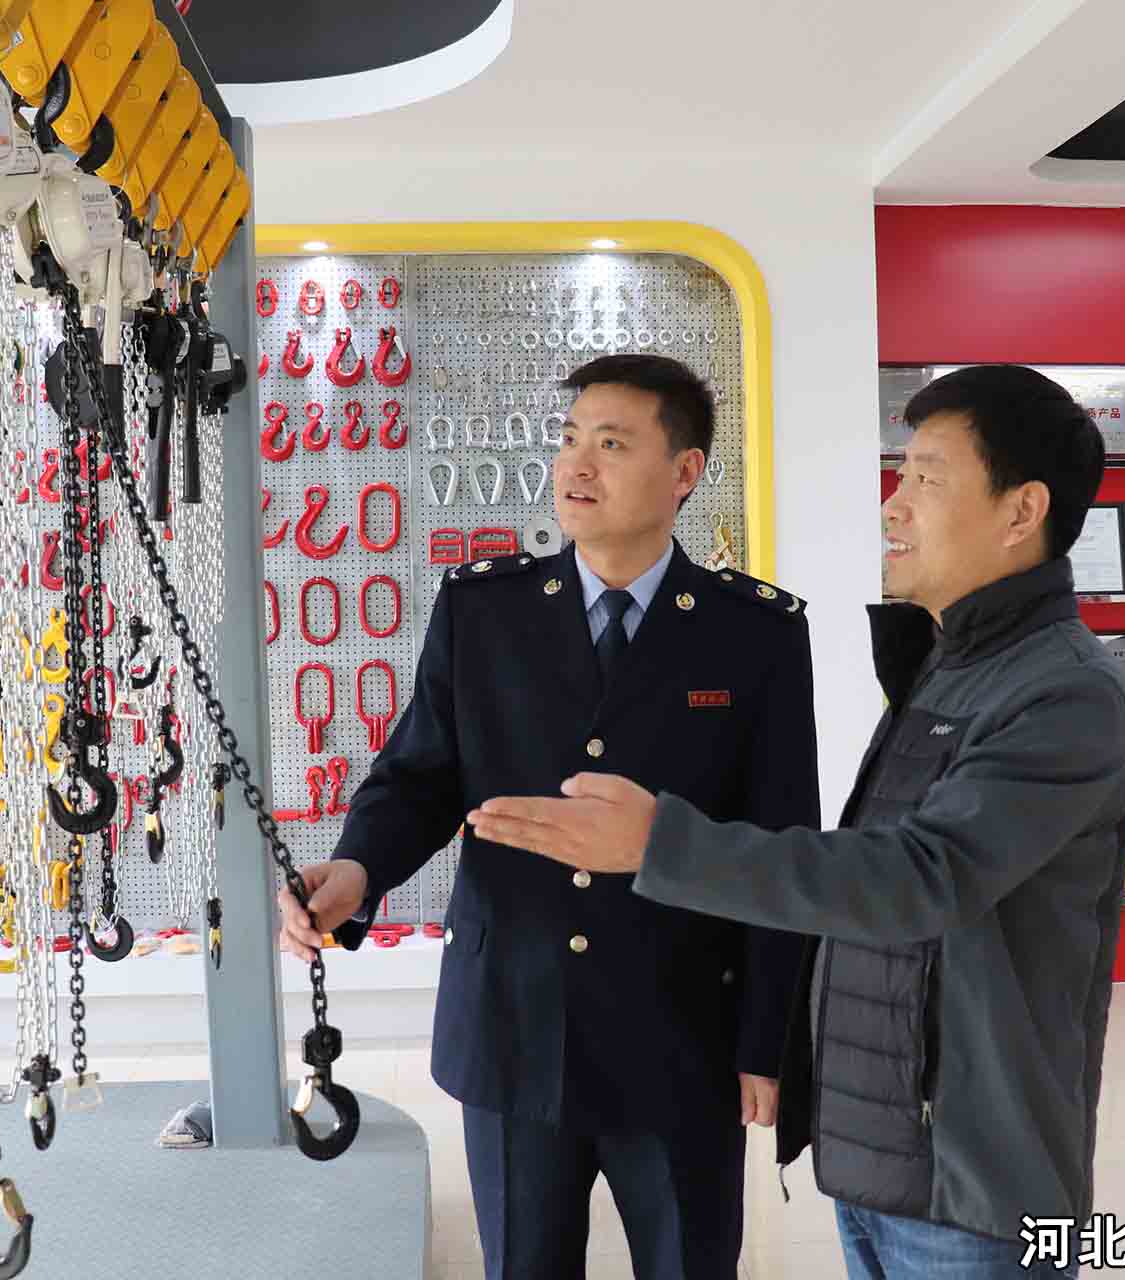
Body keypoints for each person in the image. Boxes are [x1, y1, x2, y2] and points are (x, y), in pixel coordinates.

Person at [468, 364, 1125, 1280]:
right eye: (899, 477)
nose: (893, 506)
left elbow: (917, 876)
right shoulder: (950, 667)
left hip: (972, 1185)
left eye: (926, 479)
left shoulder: (1065, 693)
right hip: (885, 1159)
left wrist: (659, 846)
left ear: (1022, 511)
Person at [276, 353, 820, 1280]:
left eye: (612, 444)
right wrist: (358, 871)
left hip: (682, 1035)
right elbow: (420, 777)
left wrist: (765, 1040)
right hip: (515, 1028)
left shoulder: (753, 634)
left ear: (684, 472)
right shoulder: (485, 610)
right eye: (569, 440)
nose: (576, 465)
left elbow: (779, 843)